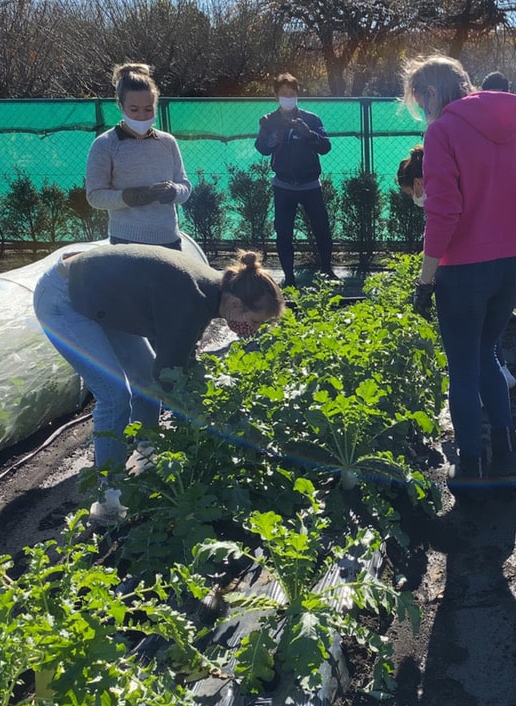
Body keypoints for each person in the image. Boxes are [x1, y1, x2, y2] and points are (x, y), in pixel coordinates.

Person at [401, 54, 516, 498]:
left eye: (419, 100)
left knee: (462, 368)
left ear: (432, 92)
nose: (422, 111)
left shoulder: (443, 131)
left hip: (464, 272)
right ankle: (504, 444)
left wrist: (425, 280)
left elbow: (443, 213)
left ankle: (469, 462)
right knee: (487, 351)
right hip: (511, 266)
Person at [33, 244, 284, 476]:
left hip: (104, 296)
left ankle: (146, 452)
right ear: (236, 303)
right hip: (64, 296)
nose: (253, 329)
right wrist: (206, 417)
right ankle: (110, 488)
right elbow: (169, 374)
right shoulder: (191, 300)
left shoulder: (212, 290)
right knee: (114, 393)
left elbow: (180, 359)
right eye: (255, 322)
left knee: (144, 380)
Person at [396, 145, 516, 390]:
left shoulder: (440, 197)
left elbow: (440, 235)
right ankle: (500, 374)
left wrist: (425, 282)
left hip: (465, 268)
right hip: (502, 260)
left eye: (411, 192)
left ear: (418, 183)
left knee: (469, 346)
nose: (414, 198)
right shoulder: (462, 176)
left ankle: (480, 389)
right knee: (487, 333)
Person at [86, 62, 192, 250]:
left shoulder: (168, 142)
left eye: (148, 109)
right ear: (121, 106)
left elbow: (185, 186)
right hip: (127, 242)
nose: (142, 116)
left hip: (169, 240)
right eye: (134, 110)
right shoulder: (105, 145)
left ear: (156, 105)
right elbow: (94, 196)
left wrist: (174, 191)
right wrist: (127, 197)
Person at [254, 73, 337, 287]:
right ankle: (289, 278)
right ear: (276, 97)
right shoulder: (268, 120)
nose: (288, 97)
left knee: (322, 230)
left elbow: (326, 147)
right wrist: (276, 135)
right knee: (283, 234)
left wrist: (309, 134)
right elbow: (262, 148)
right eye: (284, 94)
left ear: (298, 95)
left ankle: (327, 270)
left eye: (292, 94)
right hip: (283, 186)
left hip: (310, 185)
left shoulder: (311, 119)